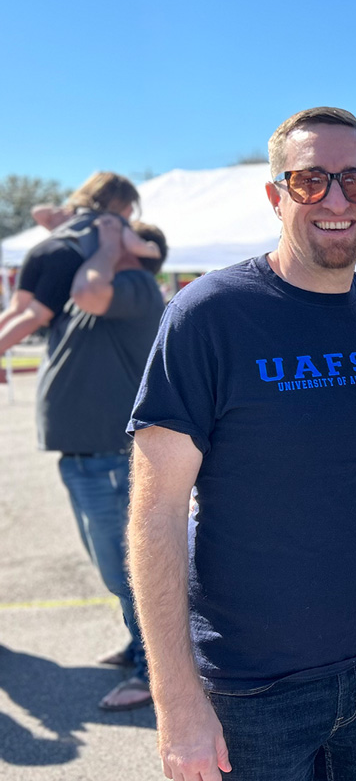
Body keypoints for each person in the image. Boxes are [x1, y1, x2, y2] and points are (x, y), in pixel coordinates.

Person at [126, 107, 356, 781]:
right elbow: (155, 512)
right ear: (275, 195)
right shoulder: (209, 315)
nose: (337, 201)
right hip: (247, 690)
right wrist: (176, 700)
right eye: (311, 180)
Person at [37, 215, 167, 711]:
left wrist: (111, 244)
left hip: (109, 461)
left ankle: (149, 668)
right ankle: (140, 646)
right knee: (115, 571)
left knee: (128, 571)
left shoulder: (133, 283)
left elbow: (90, 292)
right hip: (88, 458)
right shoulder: (109, 279)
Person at [0, 171, 158, 372]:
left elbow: (38, 213)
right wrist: (151, 249)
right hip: (67, 257)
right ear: (124, 203)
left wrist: (68, 207)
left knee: (16, 309)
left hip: (42, 249)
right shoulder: (113, 222)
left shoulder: (72, 213)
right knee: (35, 315)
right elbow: (135, 246)